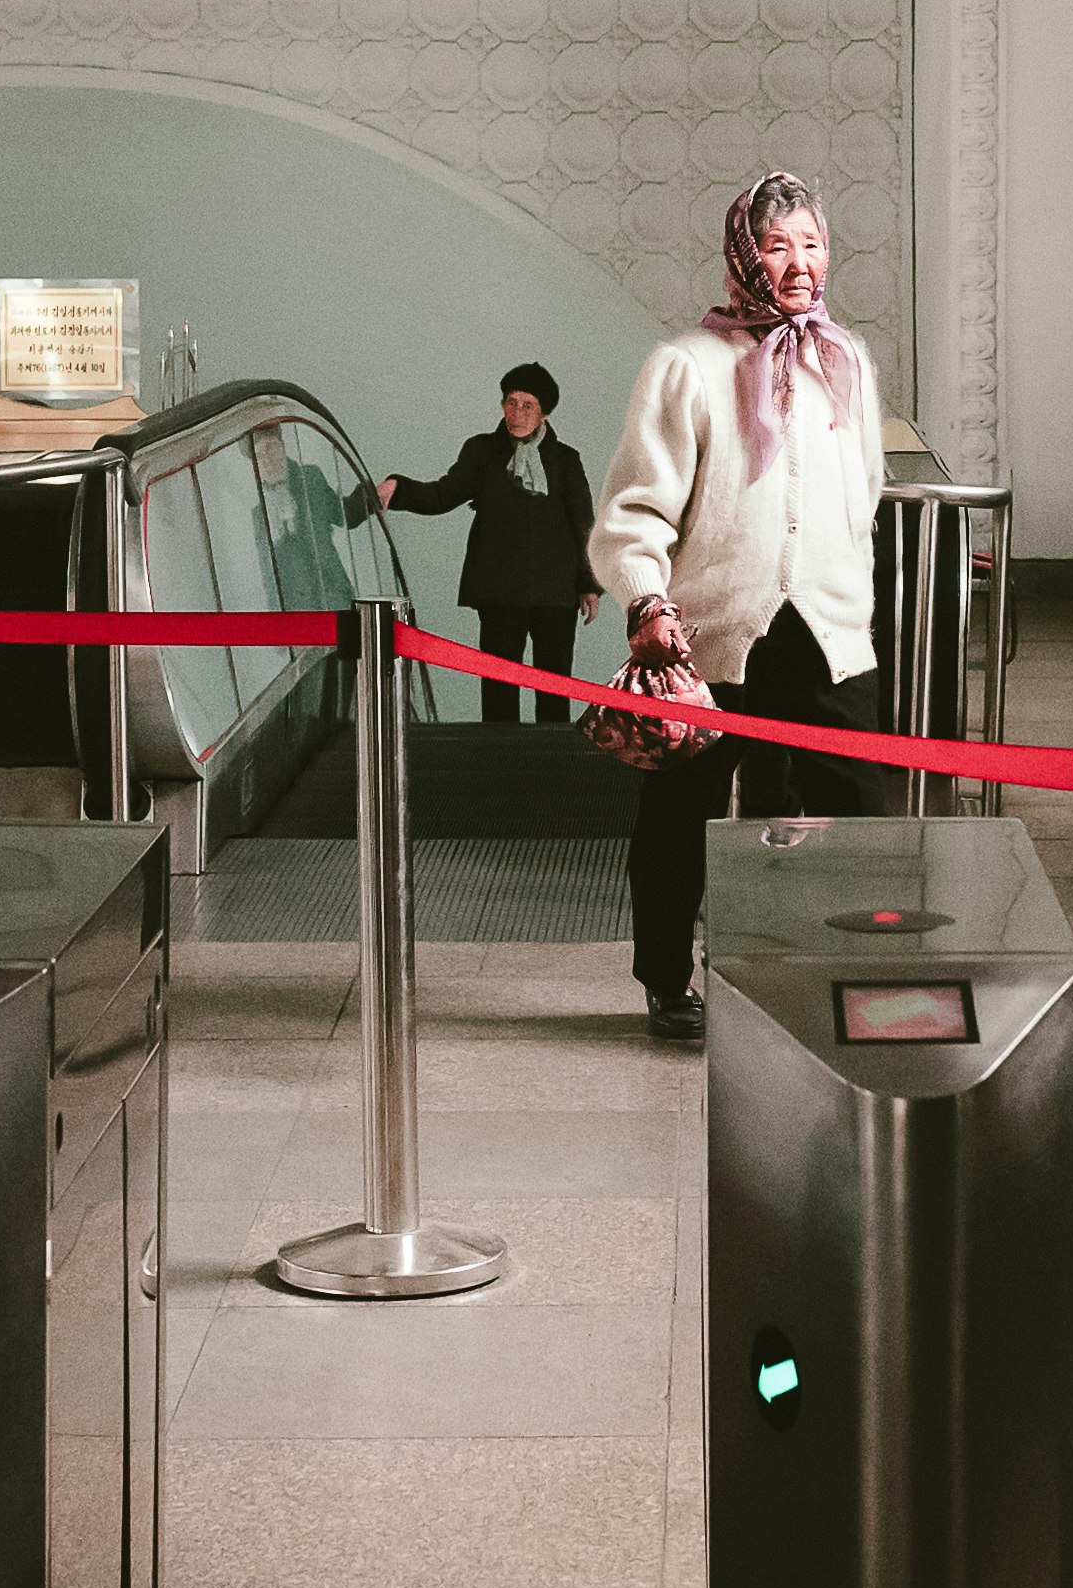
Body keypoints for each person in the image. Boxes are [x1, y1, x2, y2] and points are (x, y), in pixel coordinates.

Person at [589, 169, 885, 1042]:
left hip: (829, 637)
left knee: (858, 812)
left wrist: (850, 591)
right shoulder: (686, 365)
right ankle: (666, 980)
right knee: (681, 816)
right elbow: (634, 510)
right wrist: (647, 598)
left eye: (811, 243)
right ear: (741, 257)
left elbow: (864, 491)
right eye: (776, 245)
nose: (798, 263)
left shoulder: (846, 362)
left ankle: (841, 970)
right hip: (714, 638)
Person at [375, 363, 600, 723]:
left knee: (554, 689)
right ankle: (501, 766)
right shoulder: (482, 451)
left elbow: (584, 524)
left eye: (528, 405)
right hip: (499, 591)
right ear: (502, 405)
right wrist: (398, 488)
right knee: (498, 691)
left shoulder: (565, 459)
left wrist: (589, 585)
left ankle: (553, 769)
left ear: (543, 413)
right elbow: (441, 495)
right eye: (511, 402)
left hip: (555, 594)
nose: (517, 412)